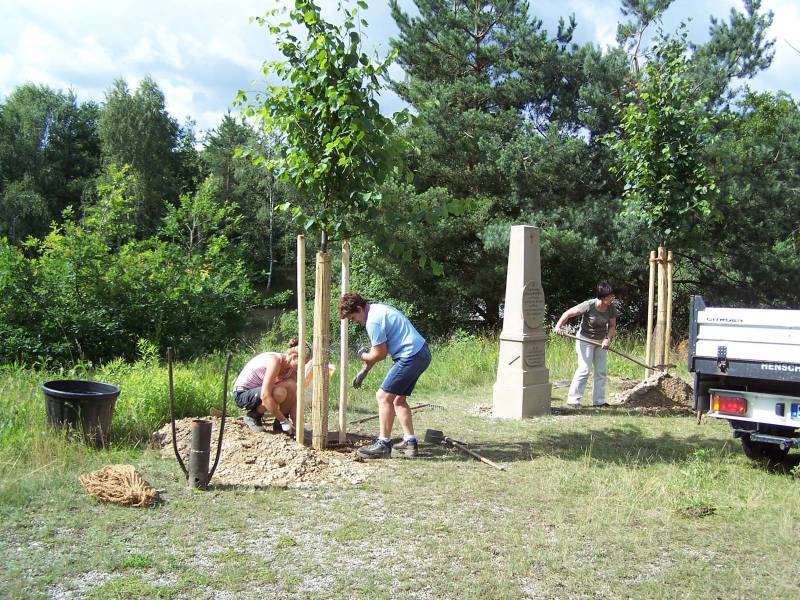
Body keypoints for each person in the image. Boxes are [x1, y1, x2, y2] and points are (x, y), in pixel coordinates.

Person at [339, 292, 431, 459]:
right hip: (421, 353)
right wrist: (364, 371)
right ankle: (410, 442)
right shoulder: (378, 310)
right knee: (398, 400)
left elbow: (379, 355)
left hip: (410, 356)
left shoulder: (373, 322)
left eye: (353, 318)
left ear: (359, 309)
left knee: (383, 397)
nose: (355, 322)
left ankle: (383, 444)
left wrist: (362, 355)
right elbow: (378, 350)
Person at [554, 282, 618, 407]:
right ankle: (573, 400)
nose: (613, 298)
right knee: (584, 369)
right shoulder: (589, 305)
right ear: (603, 297)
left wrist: (607, 339)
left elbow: (612, 326)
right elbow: (568, 314)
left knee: (601, 371)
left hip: (601, 341)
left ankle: (599, 401)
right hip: (585, 340)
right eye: (611, 296)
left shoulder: (611, 308)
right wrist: (558, 326)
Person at [231, 338, 310, 434]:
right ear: (294, 357)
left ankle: (279, 425)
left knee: (292, 385)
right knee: (279, 393)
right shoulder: (275, 361)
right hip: (243, 394)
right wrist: (284, 421)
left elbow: (294, 398)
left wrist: (298, 426)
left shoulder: (291, 371)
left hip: (260, 392)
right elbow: (265, 396)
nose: (302, 368)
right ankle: (253, 416)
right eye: (301, 364)